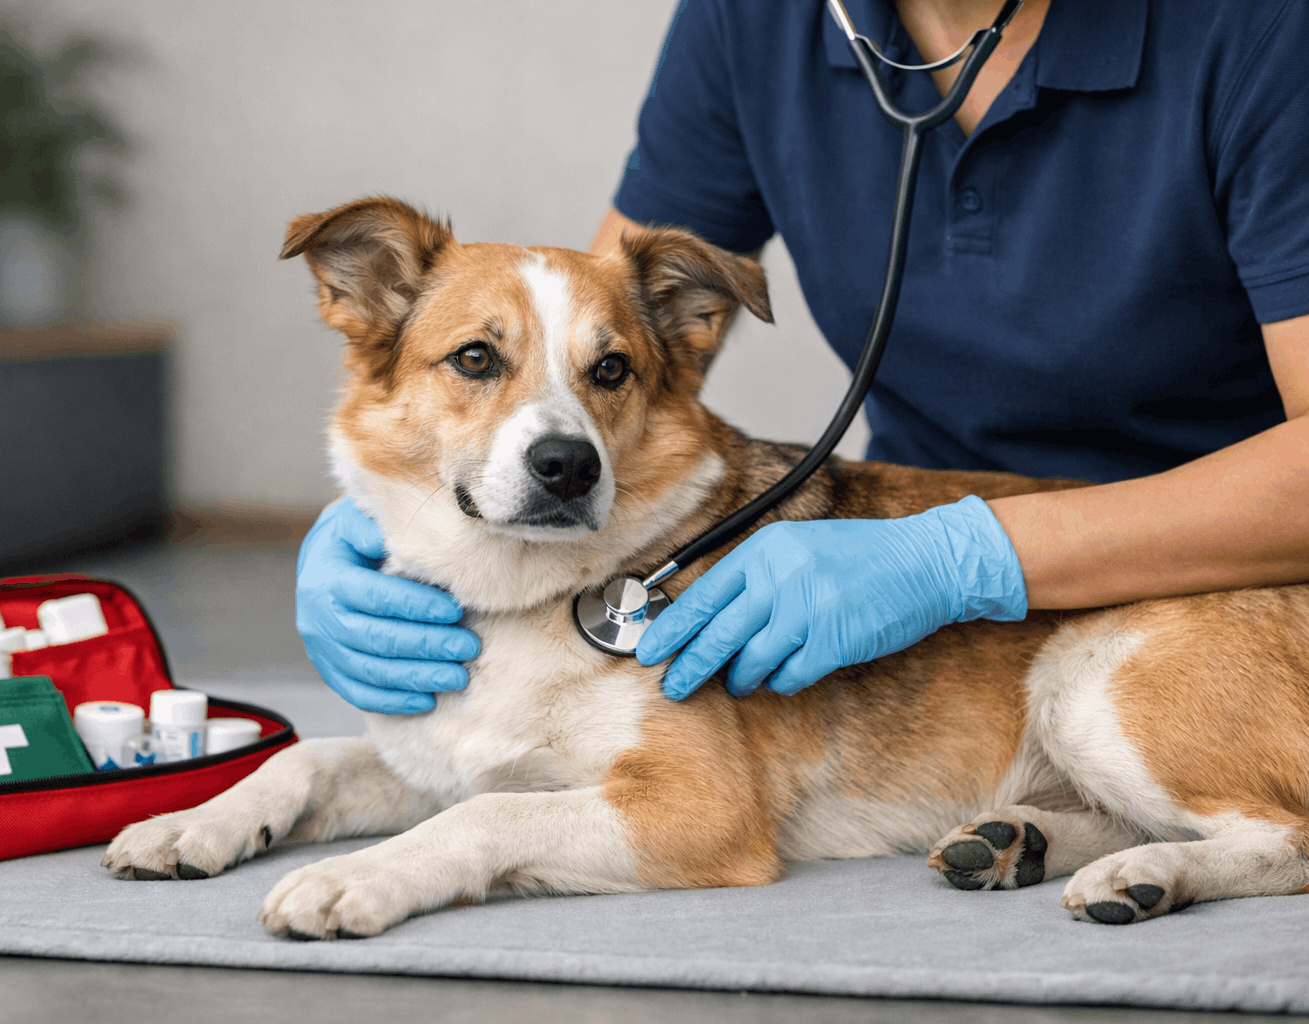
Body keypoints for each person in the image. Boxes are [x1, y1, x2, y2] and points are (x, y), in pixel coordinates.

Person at [297, 0, 1309, 715]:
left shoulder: (1261, 28)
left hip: (1235, 582)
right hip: (914, 564)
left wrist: (962, 557)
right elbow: (607, 340)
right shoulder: (759, 17)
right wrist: (402, 511)